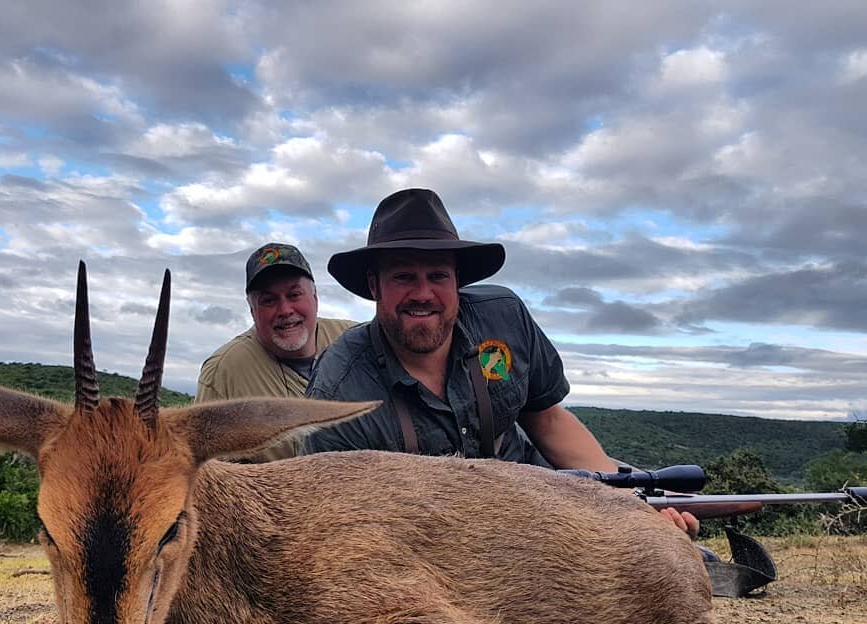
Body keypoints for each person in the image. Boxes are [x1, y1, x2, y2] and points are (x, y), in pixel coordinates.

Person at [304, 188, 699, 536]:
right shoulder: (337, 395)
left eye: (438, 275)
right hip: (424, 539)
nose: (423, 293)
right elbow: (344, 526)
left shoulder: (505, 316)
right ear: (374, 286)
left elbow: (548, 419)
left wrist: (628, 503)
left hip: (539, 497)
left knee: (653, 529)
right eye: (404, 277)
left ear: (457, 281)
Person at [195, 242, 356, 462]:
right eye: (269, 300)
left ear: (315, 298)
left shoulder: (355, 339)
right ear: (252, 310)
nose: (285, 310)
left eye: (294, 295)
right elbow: (206, 471)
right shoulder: (223, 371)